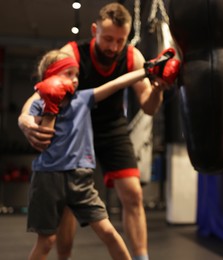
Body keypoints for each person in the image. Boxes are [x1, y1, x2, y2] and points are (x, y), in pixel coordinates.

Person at [18, 3, 178, 259]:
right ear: (94, 30)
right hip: (73, 128)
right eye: (107, 39)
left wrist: (158, 86)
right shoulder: (70, 52)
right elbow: (42, 91)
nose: (114, 47)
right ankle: (64, 257)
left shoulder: (131, 56)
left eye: (120, 40)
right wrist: (25, 119)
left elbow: (148, 107)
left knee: (134, 193)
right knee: (67, 207)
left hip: (112, 127)